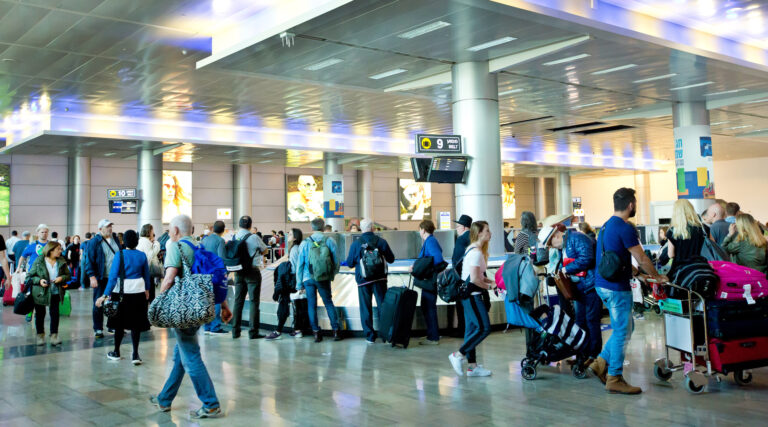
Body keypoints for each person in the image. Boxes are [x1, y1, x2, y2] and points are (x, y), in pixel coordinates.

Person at [589, 188, 666, 395]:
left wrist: (638, 274)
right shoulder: (625, 228)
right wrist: (657, 277)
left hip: (602, 283)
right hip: (616, 288)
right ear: (631, 205)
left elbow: (615, 258)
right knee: (623, 331)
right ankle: (614, 377)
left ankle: (599, 363)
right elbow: (641, 257)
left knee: (626, 328)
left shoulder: (605, 227)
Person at [150, 215, 228, 419]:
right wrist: (224, 305)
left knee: (191, 357)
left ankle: (211, 404)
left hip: (183, 310)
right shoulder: (199, 246)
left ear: (175, 230)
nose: (168, 233)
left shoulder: (175, 247)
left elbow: (168, 278)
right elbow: (210, 276)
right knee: (180, 356)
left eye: (169, 229)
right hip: (198, 307)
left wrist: (157, 303)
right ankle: (164, 399)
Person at [539, 222, 601, 364]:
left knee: (591, 321)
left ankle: (594, 356)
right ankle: (582, 355)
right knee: (580, 321)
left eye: (550, 243)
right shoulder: (566, 245)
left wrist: (567, 269)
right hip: (580, 287)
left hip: (589, 286)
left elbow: (587, 258)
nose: (551, 247)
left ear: (556, 235)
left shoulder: (577, 238)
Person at [95, 230, 151, 364]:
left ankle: (116, 351)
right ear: (137, 241)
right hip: (138, 292)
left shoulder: (119, 255)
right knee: (136, 325)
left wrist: (104, 295)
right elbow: (147, 275)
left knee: (119, 324)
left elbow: (113, 277)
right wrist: (147, 290)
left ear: (123, 241)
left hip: (120, 293)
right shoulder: (142, 255)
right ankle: (135, 355)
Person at [448, 221, 496, 377]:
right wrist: (489, 287)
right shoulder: (476, 252)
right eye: (487, 230)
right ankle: (458, 355)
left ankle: (472, 366)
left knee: (471, 330)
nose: (490, 233)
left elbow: (478, 276)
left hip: (467, 296)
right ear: (480, 233)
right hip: (473, 296)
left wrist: (492, 282)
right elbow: (475, 279)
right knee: (484, 328)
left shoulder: (473, 250)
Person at [345, 219, 396, 343]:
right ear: (372, 228)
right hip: (380, 280)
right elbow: (391, 259)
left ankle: (370, 336)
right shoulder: (381, 242)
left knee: (365, 308)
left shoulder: (356, 244)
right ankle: (386, 335)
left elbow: (350, 263)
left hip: (363, 281)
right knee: (383, 307)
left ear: (361, 229)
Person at [296, 217, 342, 342]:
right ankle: (336, 331)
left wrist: (299, 283)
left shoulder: (305, 243)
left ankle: (316, 333)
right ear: (323, 227)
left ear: (312, 228)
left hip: (308, 278)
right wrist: (332, 273)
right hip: (323, 277)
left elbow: (300, 264)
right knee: (328, 302)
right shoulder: (329, 240)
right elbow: (337, 260)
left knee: (311, 305)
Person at [230, 216, 268, 339]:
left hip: (238, 272)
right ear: (251, 225)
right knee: (253, 302)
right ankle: (253, 332)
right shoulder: (254, 237)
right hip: (252, 271)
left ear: (239, 225)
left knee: (238, 302)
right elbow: (265, 251)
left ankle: (235, 331)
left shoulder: (234, 237)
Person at [26, 241, 70, 346]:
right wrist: (40, 281)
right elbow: (29, 276)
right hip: (40, 292)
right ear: (51, 250)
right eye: (58, 249)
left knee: (55, 314)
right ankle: (40, 335)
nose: (60, 251)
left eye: (60, 249)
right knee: (40, 314)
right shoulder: (39, 260)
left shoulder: (61, 261)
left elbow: (68, 275)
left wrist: (61, 278)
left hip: (55, 291)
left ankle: (54, 335)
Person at [84, 219, 121, 338]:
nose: (110, 228)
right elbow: (88, 260)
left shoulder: (115, 239)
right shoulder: (94, 242)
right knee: (99, 302)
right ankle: (98, 328)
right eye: (107, 227)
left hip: (114, 278)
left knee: (114, 302)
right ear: (100, 229)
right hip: (101, 277)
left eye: (111, 226)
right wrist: (92, 276)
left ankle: (112, 325)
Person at [266, 228, 304, 340]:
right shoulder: (298, 247)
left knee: (283, 303)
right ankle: (297, 330)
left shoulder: (294, 249)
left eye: (291, 234)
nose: (289, 235)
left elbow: (296, 267)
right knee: (297, 305)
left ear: (295, 237)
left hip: (291, 281)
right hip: (296, 281)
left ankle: (278, 331)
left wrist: (298, 284)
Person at [415, 219, 443, 345]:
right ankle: (432, 334)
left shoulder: (430, 242)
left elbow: (437, 259)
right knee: (426, 306)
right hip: (429, 280)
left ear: (423, 230)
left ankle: (433, 337)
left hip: (429, 280)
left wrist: (423, 269)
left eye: (420, 229)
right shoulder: (430, 241)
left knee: (429, 307)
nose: (419, 231)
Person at [666, 199, 707, 277]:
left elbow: (671, 254)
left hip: (680, 270)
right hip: (700, 268)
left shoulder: (673, 231)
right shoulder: (703, 228)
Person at [201, 221, 228, 335]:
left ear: (213, 228)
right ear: (223, 230)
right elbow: (221, 258)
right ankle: (215, 326)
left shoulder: (205, 239)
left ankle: (206, 326)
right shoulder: (220, 241)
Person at [451, 214, 473, 338]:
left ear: (464, 227)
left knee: (461, 304)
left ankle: (461, 330)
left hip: (462, 277)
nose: (457, 228)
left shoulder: (461, 239)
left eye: (458, 226)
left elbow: (457, 260)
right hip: (472, 276)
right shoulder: (473, 237)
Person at [137, 224, 162, 301]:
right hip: (148, 270)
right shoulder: (146, 242)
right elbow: (150, 256)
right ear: (149, 231)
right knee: (151, 292)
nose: (153, 232)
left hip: (141, 270)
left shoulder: (140, 241)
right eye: (152, 230)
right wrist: (156, 244)